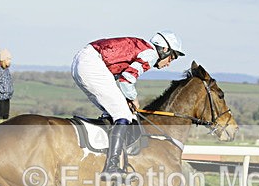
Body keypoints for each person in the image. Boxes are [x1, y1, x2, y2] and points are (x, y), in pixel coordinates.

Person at [71, 31, 184, 178]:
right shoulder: (151, 54)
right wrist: (134, 99)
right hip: (92, 63)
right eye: (171, 58)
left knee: (113, 112)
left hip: (81, 62)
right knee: (123, 114)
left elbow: (121, 78)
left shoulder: (142, 48)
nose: (168, 63)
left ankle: (99, 155)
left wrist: (127, 98)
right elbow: (127, 79)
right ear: (164, 49)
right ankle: (111, 166)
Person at [0, 48, 14, 120]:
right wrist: (3, 90)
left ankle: (5, 126)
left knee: (6, 115)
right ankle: (0, 126)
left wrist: (10, 90)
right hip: (1, 97)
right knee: (1, 115)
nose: (9, 61)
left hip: (7, 96)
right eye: (8, 59)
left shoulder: (6, 69)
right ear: (3, 60)